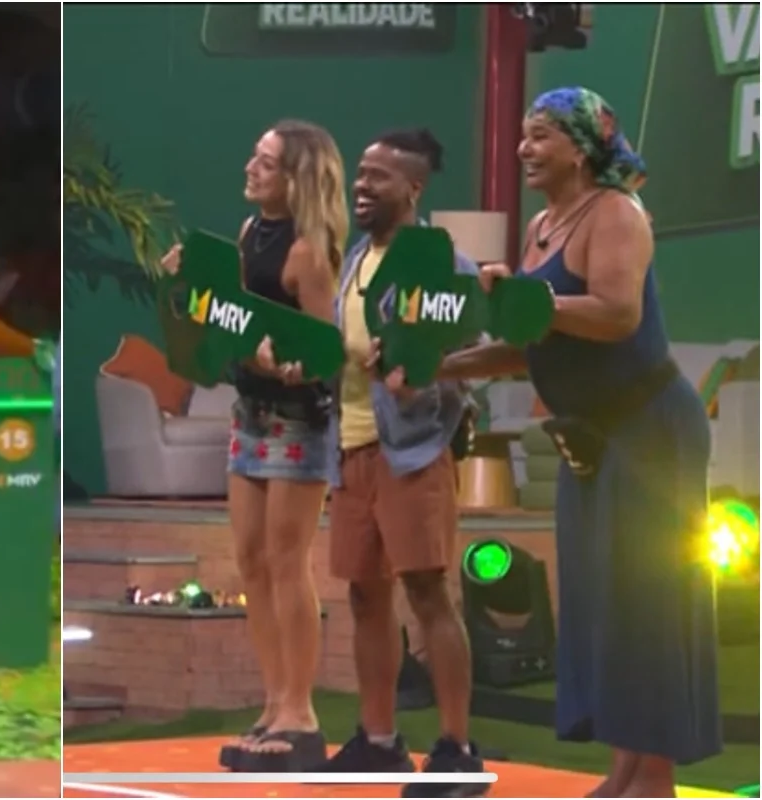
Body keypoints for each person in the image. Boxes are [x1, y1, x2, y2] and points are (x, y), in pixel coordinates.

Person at [440, 87, 720, 798]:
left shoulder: (616, 213)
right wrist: (441, 367)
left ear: (582, 144)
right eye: (522, 136)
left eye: (540, 135)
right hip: (588, 438)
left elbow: (617, 314)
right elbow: (530, 339)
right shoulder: (542, 226)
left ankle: (654, 776)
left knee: (648, 598)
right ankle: (624, 767)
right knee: (601, 602)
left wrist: (525, 300)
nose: (523, 149)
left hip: (648, 430)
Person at [160, 120, 345, 771]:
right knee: (250, 560)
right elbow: (227, 316)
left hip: (297, 420)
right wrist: (186, 284)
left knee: (288, 560)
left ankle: (301, 711)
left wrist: (283, 364)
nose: (250, 167)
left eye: (265, 162)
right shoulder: (247, 234)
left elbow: (322, 355)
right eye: (255, 156)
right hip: (249, 414)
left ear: (296, 179)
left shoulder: (308, 253)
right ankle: (273, 702)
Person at [316, 129, 487, 798]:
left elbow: (473, 358)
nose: (361, 186)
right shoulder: (356, 261)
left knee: (427, 593)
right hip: (351, 449)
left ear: (413, 189)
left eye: (377, 177)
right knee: (365, 594)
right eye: (360, 173)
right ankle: (379, 741)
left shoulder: (443, 265)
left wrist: (421, 379)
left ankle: (456, 749)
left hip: (413, 453)